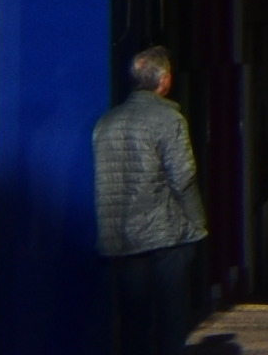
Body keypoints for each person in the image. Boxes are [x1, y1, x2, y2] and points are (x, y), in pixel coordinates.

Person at [95, 43, 202, 355]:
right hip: (164, 236)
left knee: (132, 322)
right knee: (171, 319)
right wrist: (197, 223)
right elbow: (183, 178)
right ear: (164, 80)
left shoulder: (106, 123)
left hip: (120, 241)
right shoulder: (169, 121)